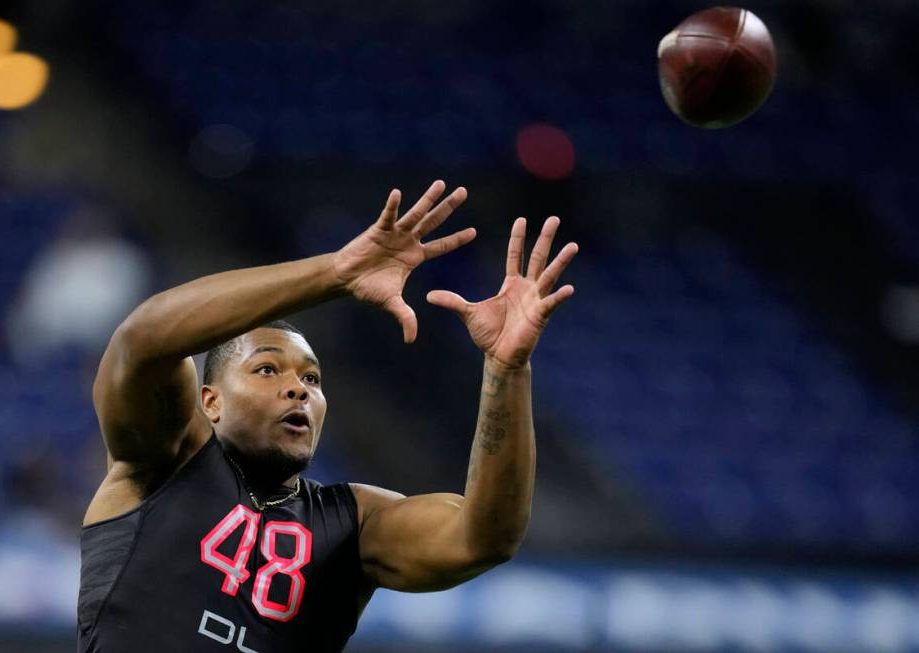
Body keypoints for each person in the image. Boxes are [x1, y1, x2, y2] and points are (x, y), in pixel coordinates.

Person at [77, 180, 578, 652]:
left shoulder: (355, 522)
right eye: (268, 369)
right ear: (210, 401)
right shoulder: (165, 463)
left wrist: (507, 371)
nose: (298, 388)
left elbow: (482, 538)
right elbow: (141, 343)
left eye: (312, 380)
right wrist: (336, 273)